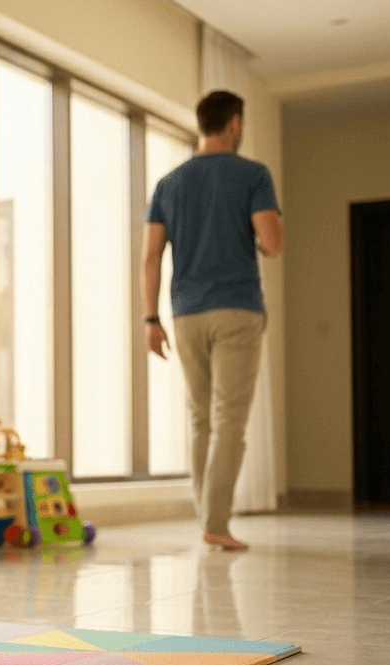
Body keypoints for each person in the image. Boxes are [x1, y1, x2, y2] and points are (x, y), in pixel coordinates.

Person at [143, 90, 285, 551]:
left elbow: (150, 257)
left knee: (201, 418)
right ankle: (216, 524)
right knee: (229, 420)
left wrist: (151, 318)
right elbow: (273, 242)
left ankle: (209, 517)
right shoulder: (252, 174)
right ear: (235, 123)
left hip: (185, 313)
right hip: (236, 309)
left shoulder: (169, 183)